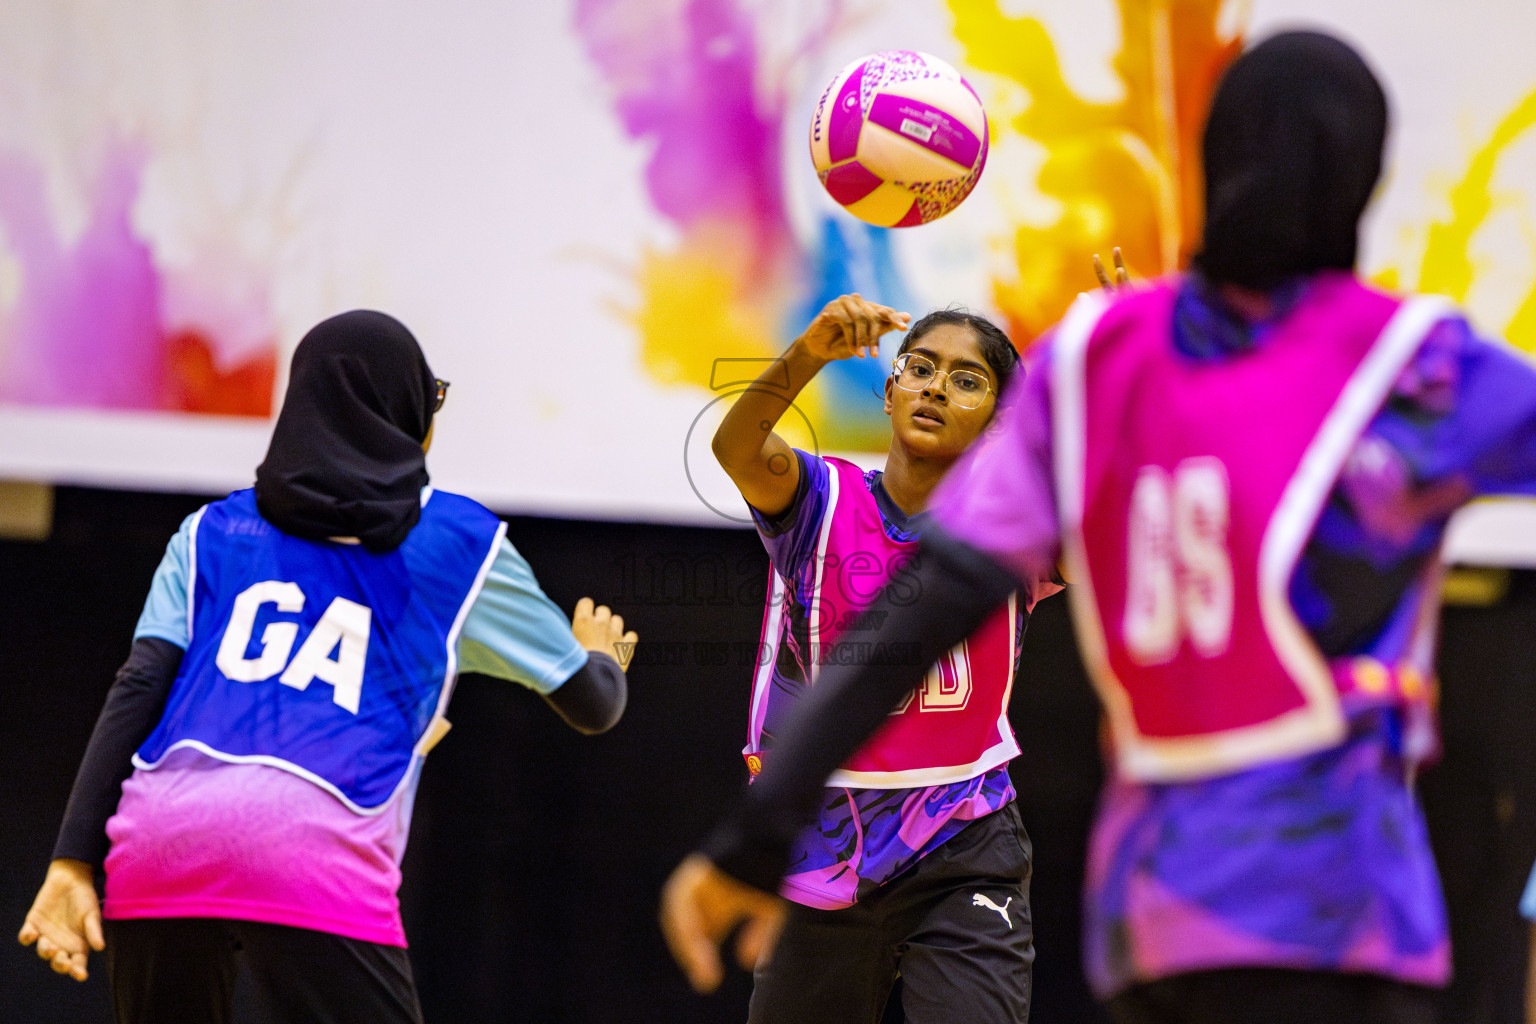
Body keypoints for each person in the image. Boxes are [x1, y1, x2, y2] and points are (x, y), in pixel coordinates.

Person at [661, 30, 1536, 1024]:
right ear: (1366, 178)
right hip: (1351, 911)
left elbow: (922, 612)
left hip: (1161, 919)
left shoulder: (1098, 358)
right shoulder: (1419, 366)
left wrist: (755, 830)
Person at [17, 310, 637, 1024]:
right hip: (313, 850)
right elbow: (593, 703)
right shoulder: (463, 544)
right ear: (410, 420)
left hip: (160, 841)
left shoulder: (211, 530)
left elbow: (137, 689)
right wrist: (598, 652)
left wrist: (71, 860)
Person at [694, 293, 1042, 1022]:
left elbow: (1113, 490)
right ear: (890, 394)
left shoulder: (1016, 527)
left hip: (962, 838)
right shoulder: (820, 499)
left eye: (967, 379)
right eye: (920, 368)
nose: (937, 387)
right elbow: (734, 450)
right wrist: (810, 352)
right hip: (821, 846)